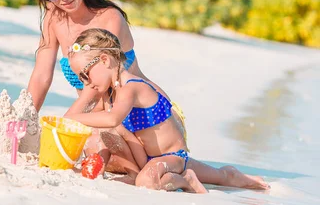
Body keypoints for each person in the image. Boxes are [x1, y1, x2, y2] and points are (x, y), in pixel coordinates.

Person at [27, 0, 268, 189]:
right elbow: (41, 76)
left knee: (139, 170)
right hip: (107, 121)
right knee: (104, 157)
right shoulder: (53, 17)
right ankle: (218, 175)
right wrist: (24, 117)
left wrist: (66, 123)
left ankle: (223, 176)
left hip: (147, 118)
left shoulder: (109, 19)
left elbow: (96, 90)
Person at [64, 28, 270, 193]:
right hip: (144, 158)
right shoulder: (110, 91)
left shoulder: (132, 88)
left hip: (172, 157)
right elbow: (72, 119)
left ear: (104, 60)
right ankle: (227, 175)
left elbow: (112, 118)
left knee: (147, 182)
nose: (85, 82)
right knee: (102, 137)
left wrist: (76, 116)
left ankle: (186, 180)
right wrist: (88, 93)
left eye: (85, 75)